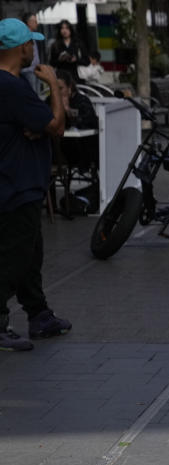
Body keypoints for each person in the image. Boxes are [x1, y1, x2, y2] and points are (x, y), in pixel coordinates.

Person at [0, 18, 71, 352]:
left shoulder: (11, 86)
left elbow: (37, 124)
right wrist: (54, 85)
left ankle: (39, 315)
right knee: (14, 259)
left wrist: (36, 126)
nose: (34, 49)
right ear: (20, 48)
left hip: (20, 184)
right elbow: (56, 125)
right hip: (16, 185)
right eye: (30, 43)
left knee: (30, 256)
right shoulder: (11, 87)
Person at [19, 13, 40, 94]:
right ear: (28, 22)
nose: (36, 23)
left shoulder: (33, 36)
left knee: (36, 94)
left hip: (35, 70)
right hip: (28, 71)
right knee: (32, 93)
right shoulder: (24, 36)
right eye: (34, 21)